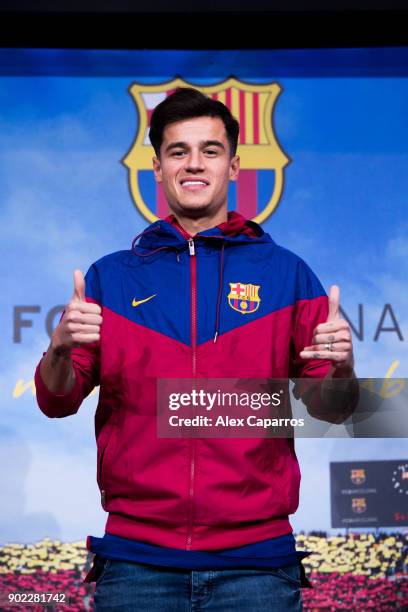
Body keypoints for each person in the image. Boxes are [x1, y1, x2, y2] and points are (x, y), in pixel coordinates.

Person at [34, 88, 357, 611]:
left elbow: (334, 407)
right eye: (178, 151)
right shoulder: (110, 277)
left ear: (233, 166)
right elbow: (56, 400)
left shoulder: (287, 273)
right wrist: (57, 349)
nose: (194, 163)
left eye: (209, 150)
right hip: (136, 563)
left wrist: (342, 364)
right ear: (157, 168)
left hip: (257, 565)